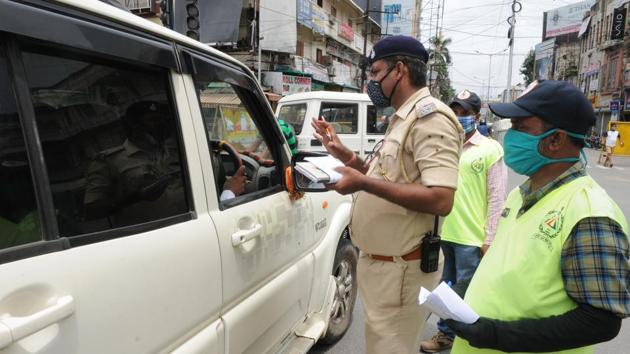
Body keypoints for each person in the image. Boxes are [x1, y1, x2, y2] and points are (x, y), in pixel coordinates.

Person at [444, 80, 629, 353]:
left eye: (520, 127)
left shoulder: (590, 213)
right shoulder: (521, 195)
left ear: (555, 139)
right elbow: (508, 264)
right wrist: (465, 289)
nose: (511, 136)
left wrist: (497, 335)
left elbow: (600, 321)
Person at [311, 35, 463, 354]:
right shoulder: (402, 119)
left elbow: (440, 199)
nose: (372, 82)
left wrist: (363, 184)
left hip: (401, 273)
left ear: (399, 70)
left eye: (376, 72)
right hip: (385, 269)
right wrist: (346, 157)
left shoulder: (429, 118)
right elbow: (388, 177)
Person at [420, 90, 507, 353]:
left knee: (465, 293)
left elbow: (496, 197)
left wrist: (490, 238)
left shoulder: (490, 149)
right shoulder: (445, 145)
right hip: (444, 234)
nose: (459, 118)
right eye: (455, 112)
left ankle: (459, 337)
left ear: (477, 117)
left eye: (465, 114)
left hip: (472, 239)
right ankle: (449, 334)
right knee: (445, 292)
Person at [84, 101, 190, 224]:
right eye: (153, 120)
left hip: (185, 228)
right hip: (144, 236)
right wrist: (135, 197)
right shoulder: (109, 160)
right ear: (135, 126)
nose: (161, 125)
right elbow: (91, 210)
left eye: (163, 120)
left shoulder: (178, 153)